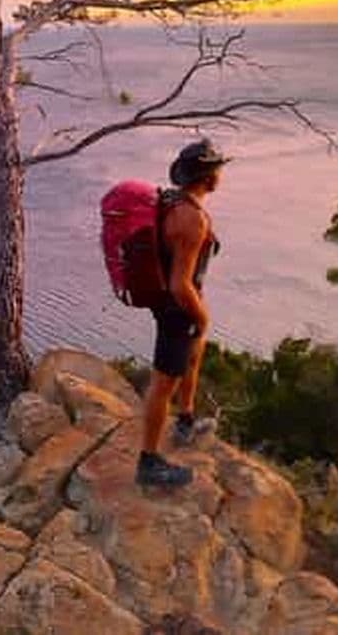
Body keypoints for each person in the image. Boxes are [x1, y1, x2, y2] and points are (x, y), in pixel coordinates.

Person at [135, 138, 229, 489]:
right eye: (218, 168)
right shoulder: (191, 219)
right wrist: (200, 317)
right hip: (178, 307)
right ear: (207, 176)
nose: (221, 174)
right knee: (162, 384)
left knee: (192, 358)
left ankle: (186, 419)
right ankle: (148, 463)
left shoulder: (172, 201)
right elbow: (179, 284)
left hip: (172, 303)